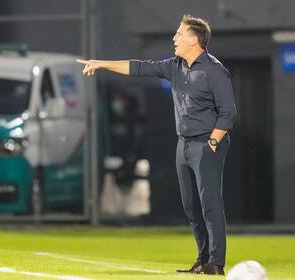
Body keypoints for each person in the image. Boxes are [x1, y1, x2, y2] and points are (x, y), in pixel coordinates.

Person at [77, 15, 236, 275]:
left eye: (179, 34)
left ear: (194, 39)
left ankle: (215, 264)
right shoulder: (175, 66)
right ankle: (202, 259)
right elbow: (138, 67)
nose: (174, 38)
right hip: (183, 145)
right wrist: (102, 64)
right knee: (190, 207)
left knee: (210, 205)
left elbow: (228, 113)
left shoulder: (214, 70)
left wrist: (212, 142)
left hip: (207, 143)